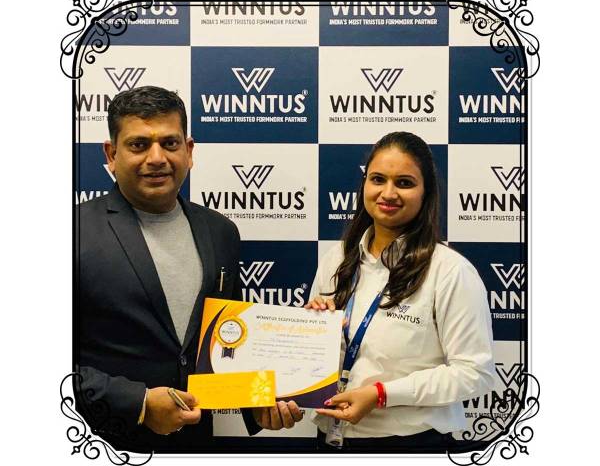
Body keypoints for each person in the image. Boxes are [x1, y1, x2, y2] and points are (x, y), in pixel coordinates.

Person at [76, 85, 302, 453]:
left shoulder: (221, 231)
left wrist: (258, 404)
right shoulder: (72, 231)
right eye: (138, 145)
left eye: (170, 143)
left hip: (196, 447)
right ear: (111, 154)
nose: (156, 158)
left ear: (189, 150)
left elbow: (230, 340)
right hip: (102, 446)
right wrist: (139, 404)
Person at [305, 131, 495, 453]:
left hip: (411, 445)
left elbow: (475, 373)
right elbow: (317, 357)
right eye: (378, 179)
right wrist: (313, 329)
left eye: (404, 183)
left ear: (425, 193)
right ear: (365, 184)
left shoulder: (450, 271)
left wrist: (381, 394)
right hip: (331, 440)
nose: (388, 193)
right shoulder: (337, 258)